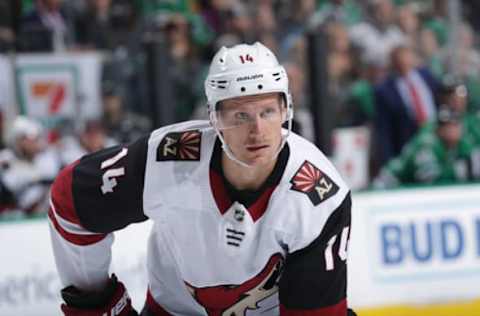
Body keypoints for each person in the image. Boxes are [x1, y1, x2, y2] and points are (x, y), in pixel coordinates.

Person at [48, 42, 355, 316]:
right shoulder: (167, 160)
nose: (258, 131)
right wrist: (96, 303)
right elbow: (70, 200)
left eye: (268, 112)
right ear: (214, 119)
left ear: (286, 109)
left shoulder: (318, 198)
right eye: (241, 116)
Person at [373, 105, 480, 188]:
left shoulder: (463, 143)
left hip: (409, 188)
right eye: (446, 125)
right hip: (390, 183)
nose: (451, 129)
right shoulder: (426, 145)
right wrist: (459, 171)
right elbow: (430, 180)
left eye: (455, 124)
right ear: (438, 129)